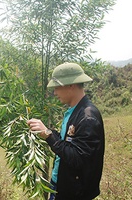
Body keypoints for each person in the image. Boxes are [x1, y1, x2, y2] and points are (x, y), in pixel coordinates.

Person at [27, 63, 105, 200]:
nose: (55, 93)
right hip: (60, 185)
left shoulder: (88, 118)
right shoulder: (73, 112)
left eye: (57, 87)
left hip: (74, 193)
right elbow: (66, 144)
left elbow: (78, 158)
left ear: (71, 85)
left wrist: (49, 135)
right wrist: (46, 131)